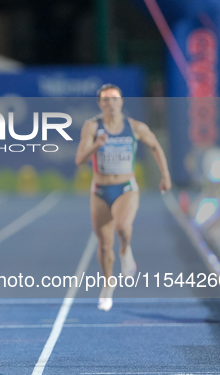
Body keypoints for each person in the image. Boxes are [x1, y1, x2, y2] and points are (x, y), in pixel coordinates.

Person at [75, 84, 171, 311]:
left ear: (121, 101)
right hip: (99, 190)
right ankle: (108, 285)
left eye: (114, 99)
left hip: (126, 187)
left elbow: (155, 146)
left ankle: (126, 249)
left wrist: (165, 175)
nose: (110, 103)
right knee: (105, 245)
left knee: (123, 227)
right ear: (100, 104)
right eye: (105, 100)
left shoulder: (135, 127)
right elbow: (79, 159)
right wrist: (96, 145)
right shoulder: (92, 127)